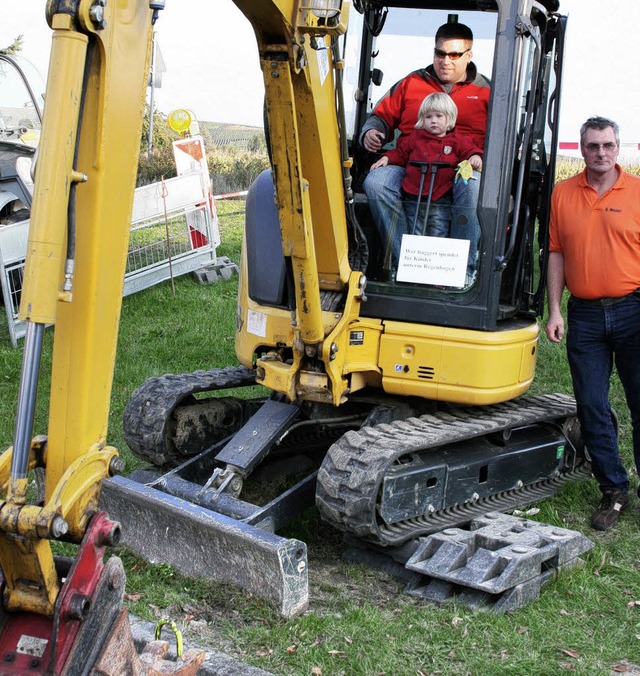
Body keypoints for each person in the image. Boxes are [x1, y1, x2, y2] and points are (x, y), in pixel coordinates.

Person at [545, 116, 640, 531]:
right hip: (583, 314)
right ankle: (614, 489)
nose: (600, 153)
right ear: (581, 149)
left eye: (607, 145)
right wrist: (555, 309)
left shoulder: (637, 192)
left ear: (617, 148)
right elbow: (555, 252)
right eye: (592, 146)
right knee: (592, 405)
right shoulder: (563, 193)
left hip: (633, 310)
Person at [361, 22, 490, 281]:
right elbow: (381, 116)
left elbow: (505, 136)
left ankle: (462, 272)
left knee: (473, 186)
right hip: (412, 161)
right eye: (440, 53)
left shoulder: (487, 91)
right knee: (376, 182)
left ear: (469, 55)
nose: (446, 61)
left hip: (461, 165)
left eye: (454, 55)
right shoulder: (411, 83)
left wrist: (479, 158)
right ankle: (407, 263)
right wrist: (372, 132)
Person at [369, 92, 482, 258]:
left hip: (440, 198)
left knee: (437, 233)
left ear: (449, 118)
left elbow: (470, 150)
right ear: (422, 119)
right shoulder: (415, 139)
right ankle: (408, 263)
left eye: (439, 116)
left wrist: (476, 157)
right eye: (429, 117)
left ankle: (435, 272)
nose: (434, 121)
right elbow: (401, 153)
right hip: (413, 197)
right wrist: (387, 157)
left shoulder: (458, 140)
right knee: (414, 232)